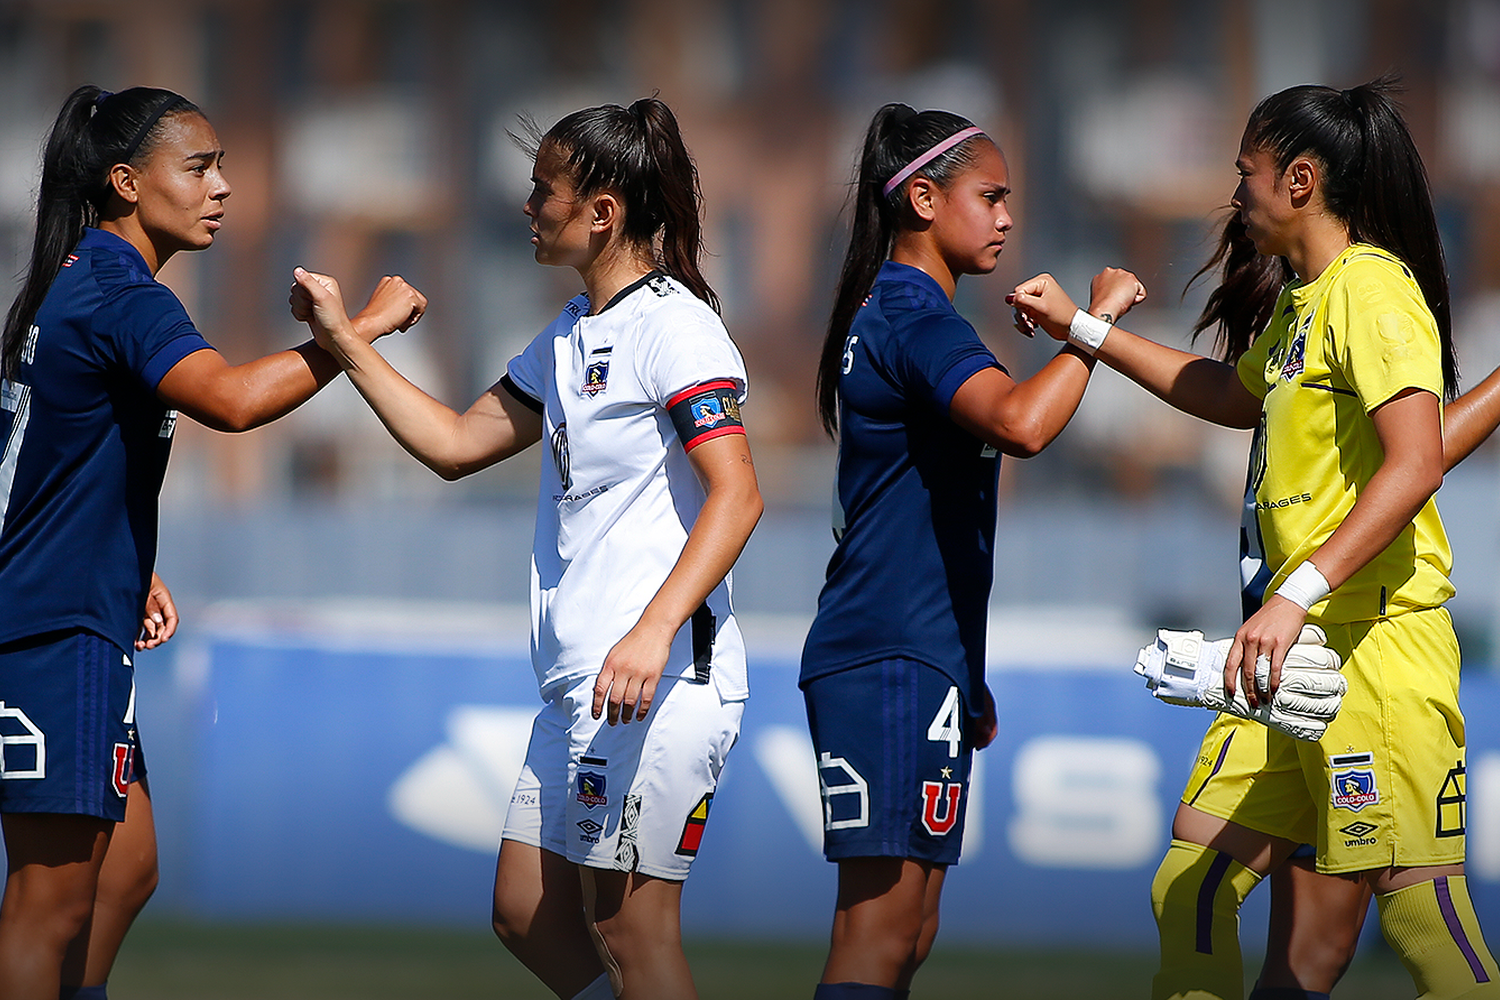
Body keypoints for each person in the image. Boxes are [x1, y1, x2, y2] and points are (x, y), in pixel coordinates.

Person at [1010, 77, 1500, 1000]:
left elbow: (1415, 464)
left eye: (1248, 173)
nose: (1235, 192)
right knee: (1189, 887)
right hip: (1294, 653)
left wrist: (1294, 591)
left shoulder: (1374, 294)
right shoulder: (1307, 299)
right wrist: (1083, 329)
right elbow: (1230, 395)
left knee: (1422, 917)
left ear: (1302, 180)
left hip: (1376, 649)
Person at [290, 97, 761, 1000]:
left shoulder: (676, 325)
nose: (528, 206)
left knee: (633, 927)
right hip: (583, 680)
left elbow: (739, 496)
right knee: (525, 911)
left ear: (603, 212)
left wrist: (654, 631)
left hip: (654, 679)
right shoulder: (570, 335)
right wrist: (348, 343)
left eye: (542, 189)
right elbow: (457, 445)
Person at [0, 84, 425, 1000]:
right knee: (50, 904)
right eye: (197, 168)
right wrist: (357, 336)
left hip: (76, 613)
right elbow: (231, 401)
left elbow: (50, 456)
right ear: (124, 182)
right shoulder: (121, 296)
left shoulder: (80, 282)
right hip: (50, 631)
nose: (221, 187)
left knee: (125, 871)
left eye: (222, 165)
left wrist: (128, 558)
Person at [798, 104, 1145, 1000]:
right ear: (923, 198)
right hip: (883, 650)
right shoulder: (915, 315)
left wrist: (962, 670)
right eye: (989, 196)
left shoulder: (915, 314)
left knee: (909, 932)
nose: (1006, 218)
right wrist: (1094, 324)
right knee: (875, 935)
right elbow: (1024, 425)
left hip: (925, 654)